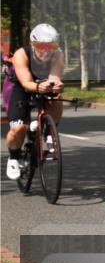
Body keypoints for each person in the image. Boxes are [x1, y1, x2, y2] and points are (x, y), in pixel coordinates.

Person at [5, 24, 65, 180]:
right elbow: (26, 83)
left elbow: (54, 77)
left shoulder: (58, 54)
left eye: (51, 45)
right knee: (18, 129)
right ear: (32, 43)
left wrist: (56, 85)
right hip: (21, 87)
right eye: (41, 46)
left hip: (42, 84)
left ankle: (49, 132)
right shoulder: (21, 54)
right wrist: (39, 86)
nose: (46, 50)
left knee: (56, 97)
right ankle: (13, 157)